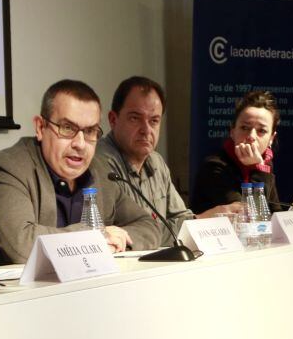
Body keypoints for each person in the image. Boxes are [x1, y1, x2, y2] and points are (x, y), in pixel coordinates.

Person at [0, 79, 160, 266]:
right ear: (40, 127)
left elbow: (149, 227)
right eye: (67, 128)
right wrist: (96, 237)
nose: (79, 143)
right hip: (19, 293)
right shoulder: (10, 167)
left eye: (89, 131)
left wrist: (115, 244)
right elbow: (22, 245)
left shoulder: (101, 172)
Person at [95, 76, 241, 245]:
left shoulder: (156, 162)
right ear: (113, 120)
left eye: (154, 121)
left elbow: (179, 217)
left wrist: (198, 221)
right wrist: (200, 219)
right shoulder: (101, 164)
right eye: (135, 118)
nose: (146, 130)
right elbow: (128, 234)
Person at [190, 90, 281, 214]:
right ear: (232, 131)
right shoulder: (214, 166)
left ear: (271, 138)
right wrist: (258, 168)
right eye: (245, 128)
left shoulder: (265, 163)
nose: (251, 136)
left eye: (261, 131)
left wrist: (259, 167)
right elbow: (248, 216)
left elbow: (275, 212)